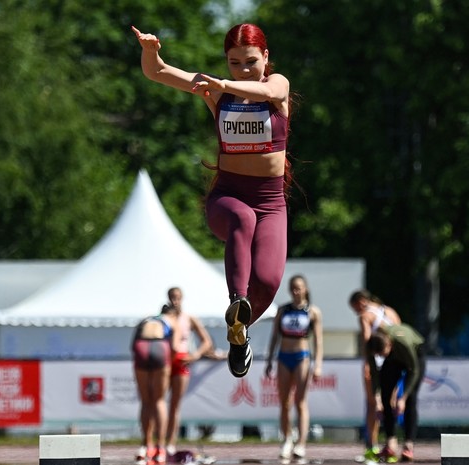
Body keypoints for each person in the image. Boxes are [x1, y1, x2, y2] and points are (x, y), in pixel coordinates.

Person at [133, 23, 292, 378]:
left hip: (270, 203)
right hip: (229, 197)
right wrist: (150, 51)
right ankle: (237, 302)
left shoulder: (277, 85)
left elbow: (262, 89)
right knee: (242, 220)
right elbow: (157, 72)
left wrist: (223, 84)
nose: (243, 70)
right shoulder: (218, 92)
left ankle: (239, 334)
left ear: (266, 57)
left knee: (268, 281)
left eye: (250, 62)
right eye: (234, 63)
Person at [265, 275, 323, 462]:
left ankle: (302, 444)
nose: (296, 291)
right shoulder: (283, 310)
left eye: (299, 288)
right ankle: (287, 438)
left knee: (300, 401)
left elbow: (319, 342)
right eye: (293, 288)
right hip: (283, 356)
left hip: (302, 357)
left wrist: (318, 365)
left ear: (305, 289)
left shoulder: (313, 312)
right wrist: (269, 360)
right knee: (284, 402)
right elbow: (274, 336)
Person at [348, 290, 401, 460]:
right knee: (390, 404)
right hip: (392, 361)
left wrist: (367, 366)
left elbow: (367, 342)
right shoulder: (390, 312)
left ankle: (372, 447)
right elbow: (399, 336)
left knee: (373, 405)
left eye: (355, 308)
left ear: (362, 301)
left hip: (376, 363)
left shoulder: (365, 316)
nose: (356, 312)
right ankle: (391, 445)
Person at [162, 287, 214, 456]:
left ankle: (170, 442)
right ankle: (159, 441)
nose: (175, 301)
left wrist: (195, 356)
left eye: (177, 298)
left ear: (182, 298)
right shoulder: (164, 317)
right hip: (165, 361)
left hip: (181, 359)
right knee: (159, 403)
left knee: (175, 405)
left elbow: (206, 341)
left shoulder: (189, 318)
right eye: (172, 298)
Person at [365, 323, 425, 463]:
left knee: (411, 398)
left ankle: (408, 444)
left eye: (382, 353)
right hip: (394, 358)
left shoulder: (402, 343)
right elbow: (374, 374)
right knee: (386, 392)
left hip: (415, 356)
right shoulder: (370, 346)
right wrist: (377, 398)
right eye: (378, 355)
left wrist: (402, 398)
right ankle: (391, 440)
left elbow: (414, 371)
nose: (380, 356)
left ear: (389, 345)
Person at [132, 306, 182, 465]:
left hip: (141, 347)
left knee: (146, 401)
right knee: (159, 400)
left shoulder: (147, 319)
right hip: (160, 348)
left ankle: (146, 446)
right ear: (172, 314)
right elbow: (174, 347)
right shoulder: (173, 321)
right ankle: (160, 447)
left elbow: (133, 345)